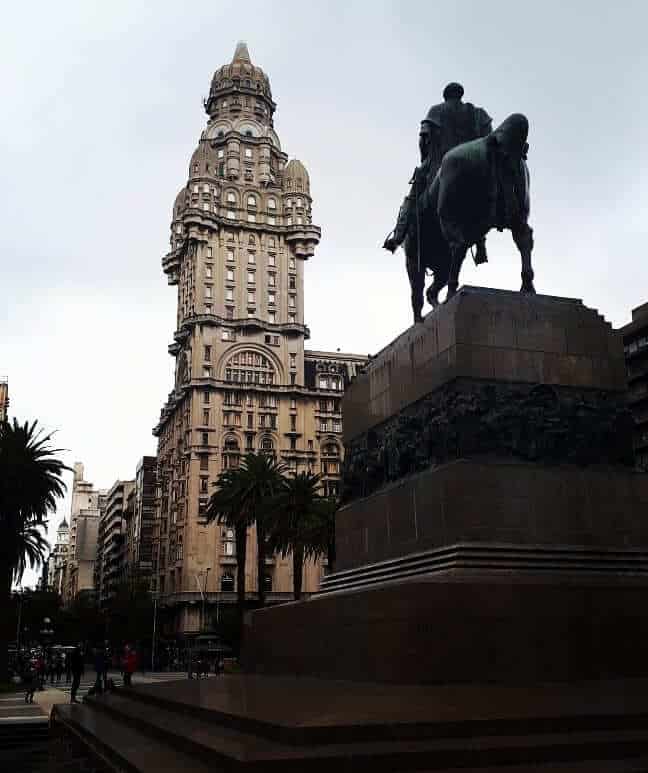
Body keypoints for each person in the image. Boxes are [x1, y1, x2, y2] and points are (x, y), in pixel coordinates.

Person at [384, 82, 492, 264]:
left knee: (412, 197)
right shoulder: (476, 113)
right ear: (460, 94)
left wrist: (425, 160)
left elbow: (423, 139)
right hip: (474, 168)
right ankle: (481, 244)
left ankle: (398, 236)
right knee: (483, 198)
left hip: (440, 164)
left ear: (445, 96)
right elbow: (489, 138)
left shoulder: (436, 111)